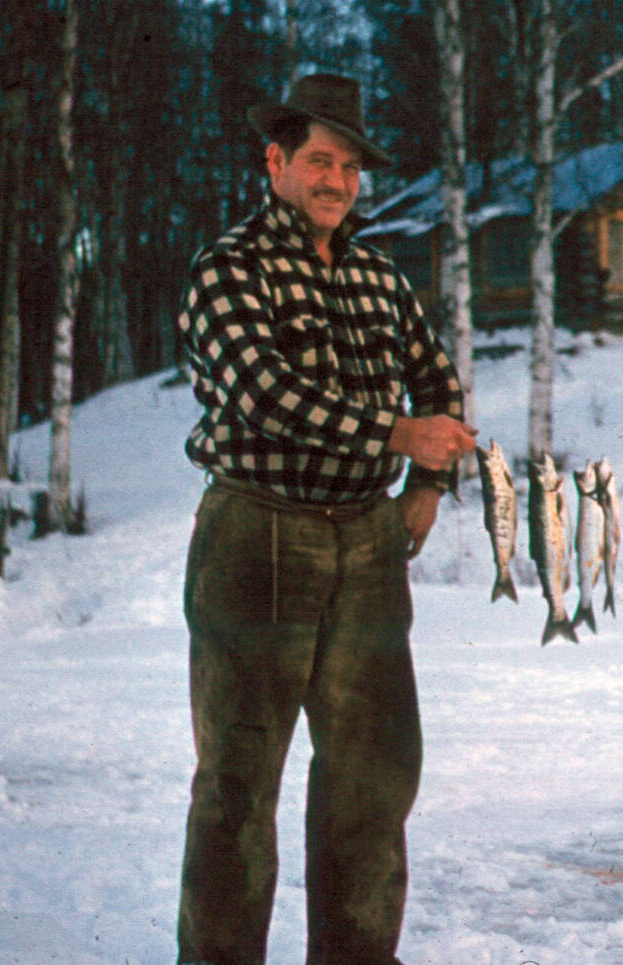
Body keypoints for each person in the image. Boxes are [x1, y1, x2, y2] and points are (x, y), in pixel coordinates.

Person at [175, 72, 478, 965]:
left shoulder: (380, 275)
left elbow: (437, 377)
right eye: (318, 159)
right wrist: (397, 432)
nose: (335, 180)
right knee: (238, 784)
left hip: (367, 541)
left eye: (349, 165)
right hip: (257, 535)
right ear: (275, 162)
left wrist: (426, 483)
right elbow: (265, 394)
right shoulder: (229, 267)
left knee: (372, 784)